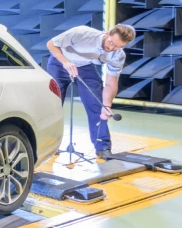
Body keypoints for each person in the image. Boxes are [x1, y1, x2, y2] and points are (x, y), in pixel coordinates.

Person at [46, 24, 136, 159]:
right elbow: (51, 44)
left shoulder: (117, 55)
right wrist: (65, 62)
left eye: (118, 46)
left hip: (85, 67)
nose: (111, 48)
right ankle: (48, 145)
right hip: (59, 63)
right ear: (107, 34)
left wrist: (107, 105)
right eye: (111, 42)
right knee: (52, 106)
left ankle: (103, 147)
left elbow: (111, 83)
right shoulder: (82, 33)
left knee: (98, 106)